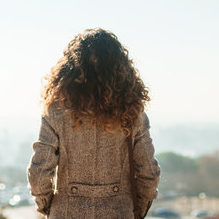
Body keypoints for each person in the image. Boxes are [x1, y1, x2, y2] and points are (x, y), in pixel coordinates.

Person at [27, 28, 161, 219]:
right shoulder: (133, 112)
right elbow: (149, 174)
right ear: (121, 68)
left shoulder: (56, 110)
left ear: (70, 68)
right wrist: (135, 208)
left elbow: (39, 174)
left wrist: (48, 207)